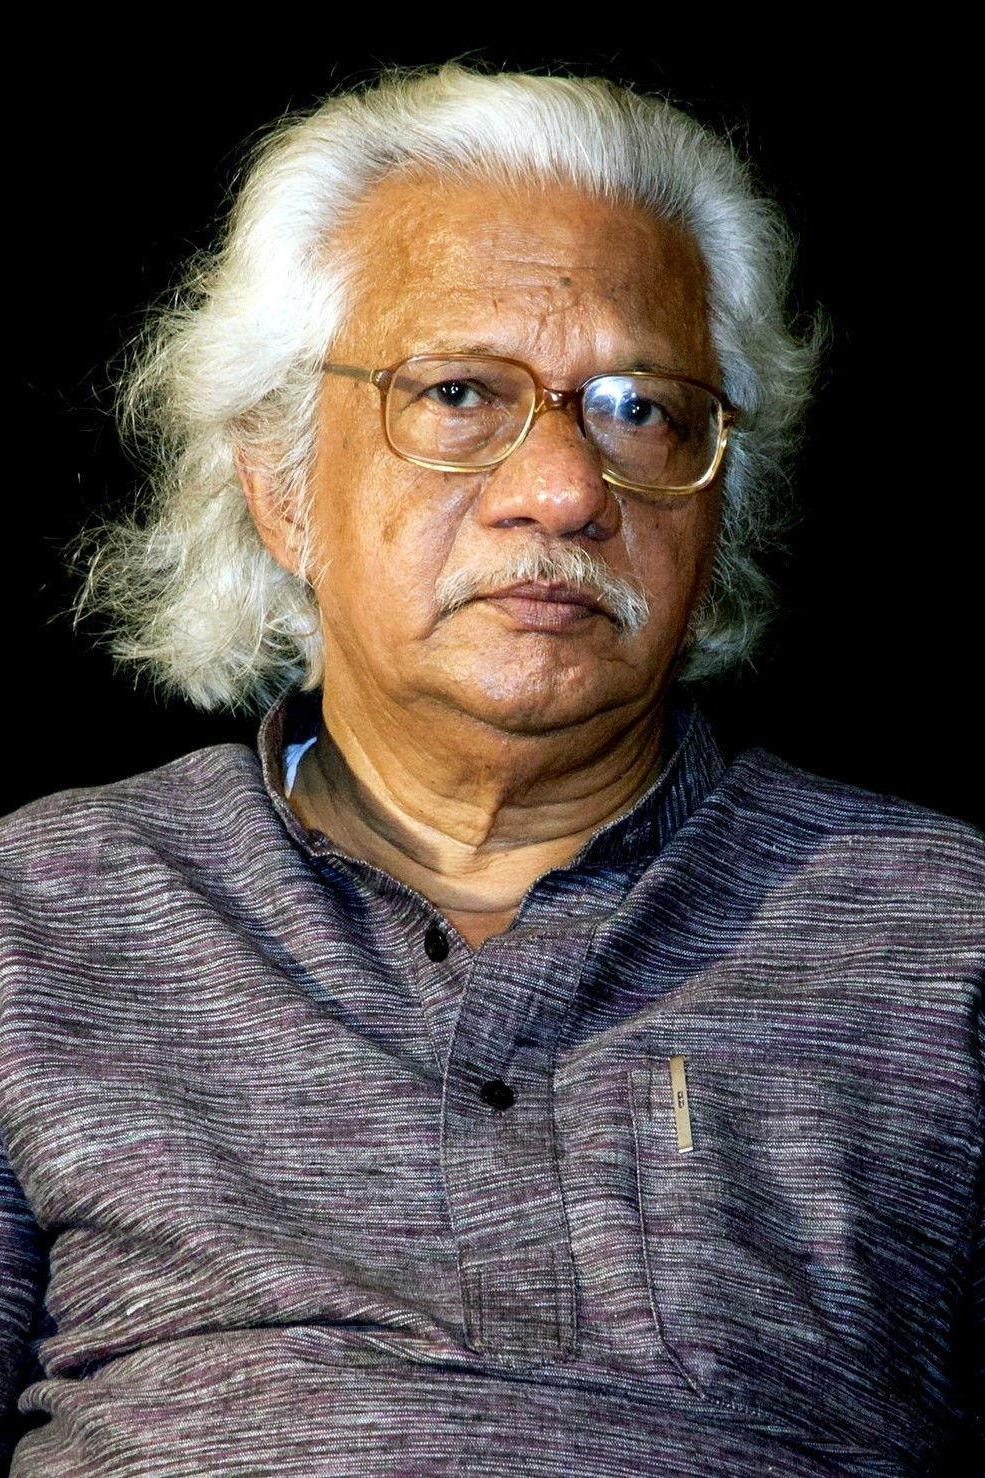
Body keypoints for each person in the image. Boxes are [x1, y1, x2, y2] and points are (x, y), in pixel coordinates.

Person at [1, 61, 981, 1476]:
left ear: (717, 502)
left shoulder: (941, 932)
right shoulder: (46, 914)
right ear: (280, 484)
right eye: (459, 392)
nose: (566, 489)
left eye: (640, 409)